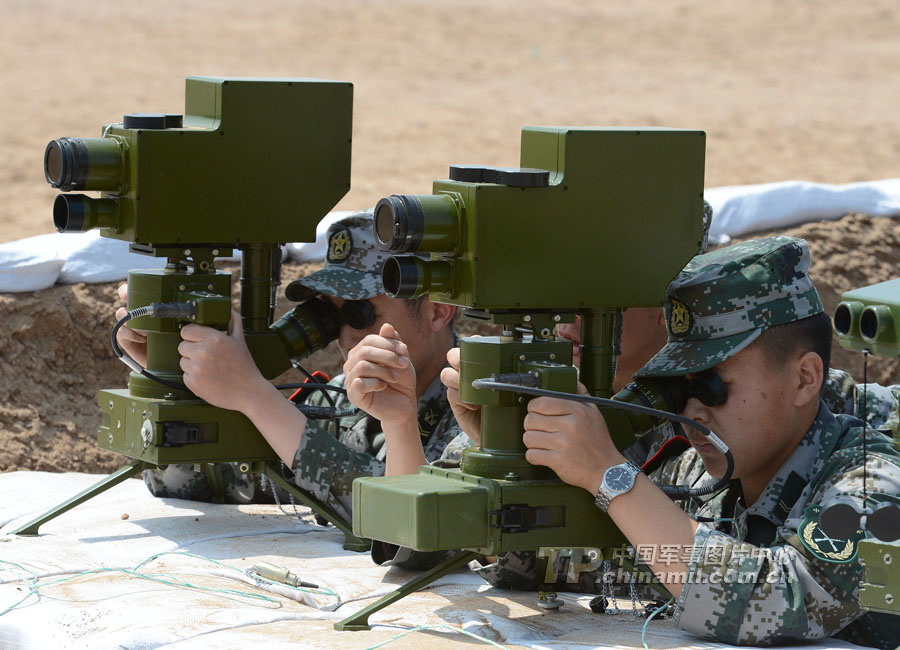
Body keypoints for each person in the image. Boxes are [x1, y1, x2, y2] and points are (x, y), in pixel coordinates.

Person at [495, 236, 900, 647]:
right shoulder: (697, 477)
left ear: (804, 379)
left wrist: (610, 476)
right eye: (680, 390)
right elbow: (572, 560)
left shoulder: (871, 483)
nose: (692, 412)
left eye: (713, 387)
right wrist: (505, 453)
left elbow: (776, 599)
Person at [115, 211, 460, 523]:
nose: (345, 335)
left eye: (361, 312)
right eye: (332, 315)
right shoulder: (341, 401)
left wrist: (255, 396)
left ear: (438, 310)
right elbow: (183, 482)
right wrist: (175, 379)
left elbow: (416, 524)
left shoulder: (475, 410)